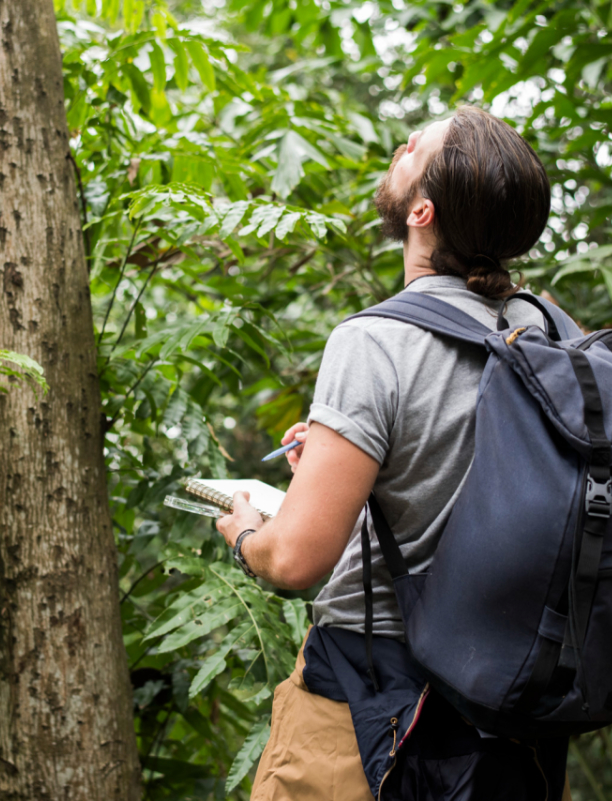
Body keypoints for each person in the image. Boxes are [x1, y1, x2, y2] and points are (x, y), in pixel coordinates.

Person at [216, 105, 573, 801]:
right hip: (513, 712)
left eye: (418, 148)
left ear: (422, 213)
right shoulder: (552, 327)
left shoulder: (375, 341)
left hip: (366, 704)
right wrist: (341, 465)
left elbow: (296, 560)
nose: (403, 144)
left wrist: (246, 534)